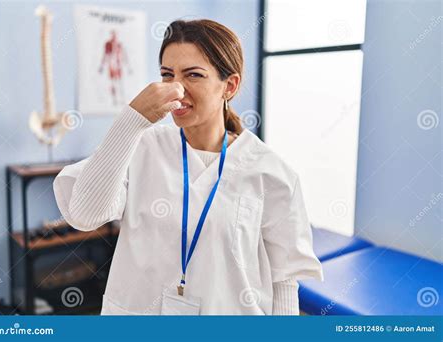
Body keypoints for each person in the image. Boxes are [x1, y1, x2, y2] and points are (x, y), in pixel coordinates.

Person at [53, 19, 323, 315]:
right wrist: (131, 121)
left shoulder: (270, 172)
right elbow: (84, 215)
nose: (177, 90)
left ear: (229, 86)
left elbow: (284, 279)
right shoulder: (141, 145)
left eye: (194, 75)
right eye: (167, 75)